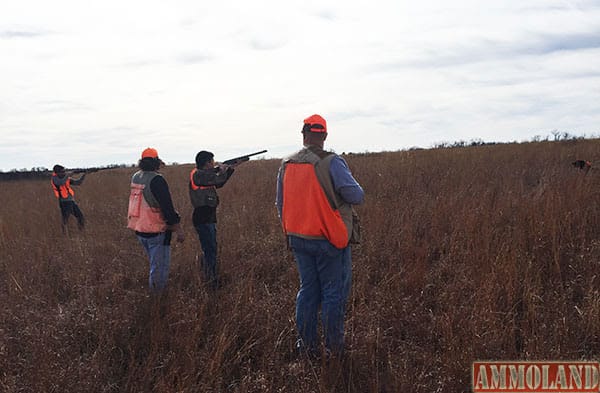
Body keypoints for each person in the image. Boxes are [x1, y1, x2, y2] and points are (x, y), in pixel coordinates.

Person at [276, 114, 365, 357]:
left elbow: (280, 204)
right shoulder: (332, 162)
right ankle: (334, 349)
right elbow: (356, 196)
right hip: (329, 238)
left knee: (307, 291)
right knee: (333, 292)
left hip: (298, 238)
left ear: (303, 135)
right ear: (324, 135)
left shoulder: (287, 163)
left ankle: (305, 347)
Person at [127, 147, 185, 292]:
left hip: (141, 230)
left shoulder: (136, 176)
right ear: (156, 161)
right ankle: (157, 301)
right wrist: (178, 228)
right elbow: (167, 208)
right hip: (157, 231)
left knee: (155, 266)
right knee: (159, 270)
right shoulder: (157, 180)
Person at [189, 151, 236, 288]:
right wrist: (222, 170)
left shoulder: (205, 175)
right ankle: (212, 281)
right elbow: (218, 179)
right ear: (207, 162)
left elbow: (219, 184)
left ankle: (209, 275)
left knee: (211, 248)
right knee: (210, 250)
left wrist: (231, 169)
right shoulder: (198, 174)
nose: (214, 163)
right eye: (212, 161)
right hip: (202, 217)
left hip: (208, 217)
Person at [51, 164, 86, 233]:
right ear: (57, 172)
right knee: (65, 221)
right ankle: (64, 236)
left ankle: (81, 232)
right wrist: (68, 175)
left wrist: (84, 175)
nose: (64, 172)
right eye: (62, 171)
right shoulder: (55, 179)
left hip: (71, 201)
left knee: (80, 217)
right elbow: (61, 182)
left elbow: (78, 183)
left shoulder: (66, 178)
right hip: (64, 202)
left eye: (64, 171)